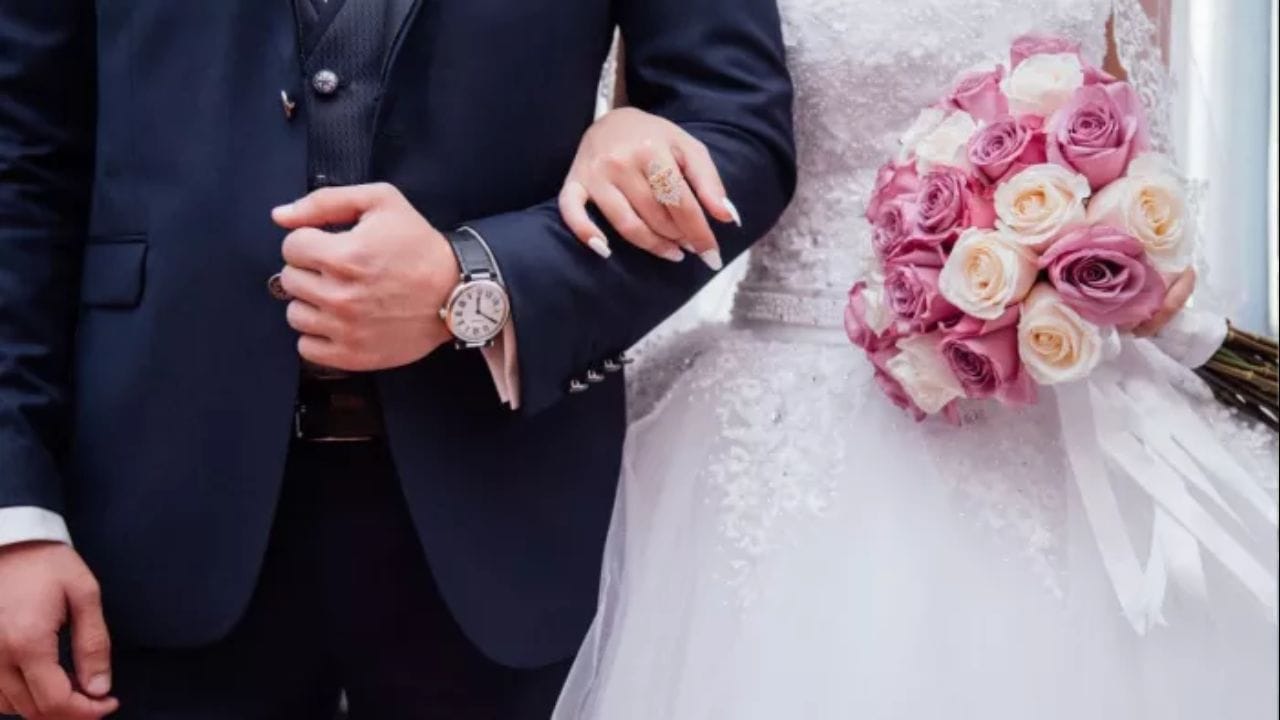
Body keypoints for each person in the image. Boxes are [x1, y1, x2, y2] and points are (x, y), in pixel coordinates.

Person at [0, 1, 794, 718]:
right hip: (147, 510)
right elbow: (20, 161)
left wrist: (479, 282)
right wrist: (14, 511)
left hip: (504, 509)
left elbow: (735, 134)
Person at [552, 1, 1280, 718]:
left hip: (1060, 387)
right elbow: (663, 148)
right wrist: (612, 133)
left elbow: (1133, 140)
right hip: (796, 415)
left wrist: (1133, 255)